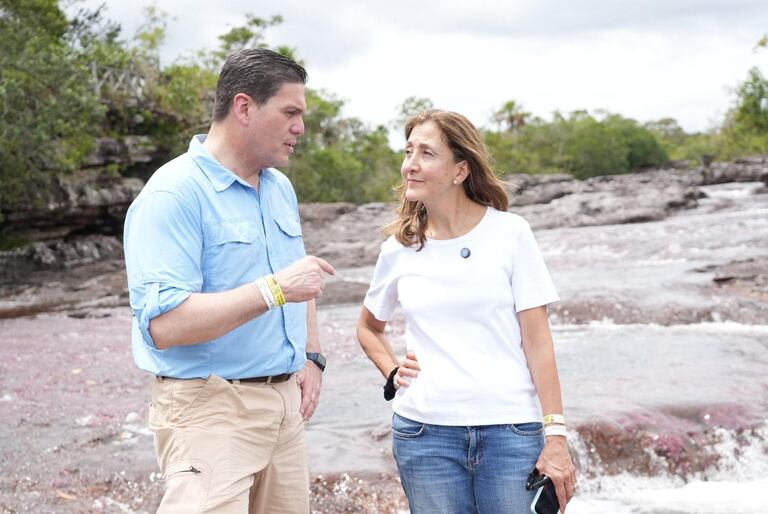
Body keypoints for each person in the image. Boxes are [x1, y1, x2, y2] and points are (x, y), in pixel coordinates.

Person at [123, 48, 335, 514]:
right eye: (290, 112)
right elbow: (165, 325)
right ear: (244, 107)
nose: (300, 127)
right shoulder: (172, 193)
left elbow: (303, 278)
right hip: (210, 410)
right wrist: (273, 290)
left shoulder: (279, 187)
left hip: (284, 409)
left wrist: (313, 358)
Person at [356, 110, 577, 513]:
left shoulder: (511, 234)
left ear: (460, 170)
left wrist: (556, 436)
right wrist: (391, 370)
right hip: (424, 435)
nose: (410, 165)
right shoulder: (398, 249)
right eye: (408, 152)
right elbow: (369, 327)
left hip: (510, 432)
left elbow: (538, 342)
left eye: (426, 153)